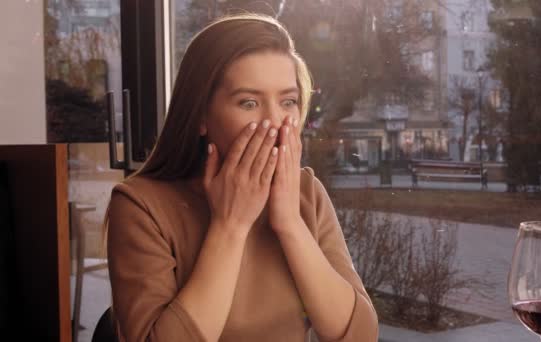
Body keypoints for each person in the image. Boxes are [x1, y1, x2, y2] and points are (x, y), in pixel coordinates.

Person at [105, 13, 378, 342]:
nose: (275, 122)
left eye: (288, 101)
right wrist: (230, 226)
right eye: (249, 103)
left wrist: (290, 222)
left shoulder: (306, 192)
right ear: (200, 116)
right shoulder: (140, 206)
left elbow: (360, 335)